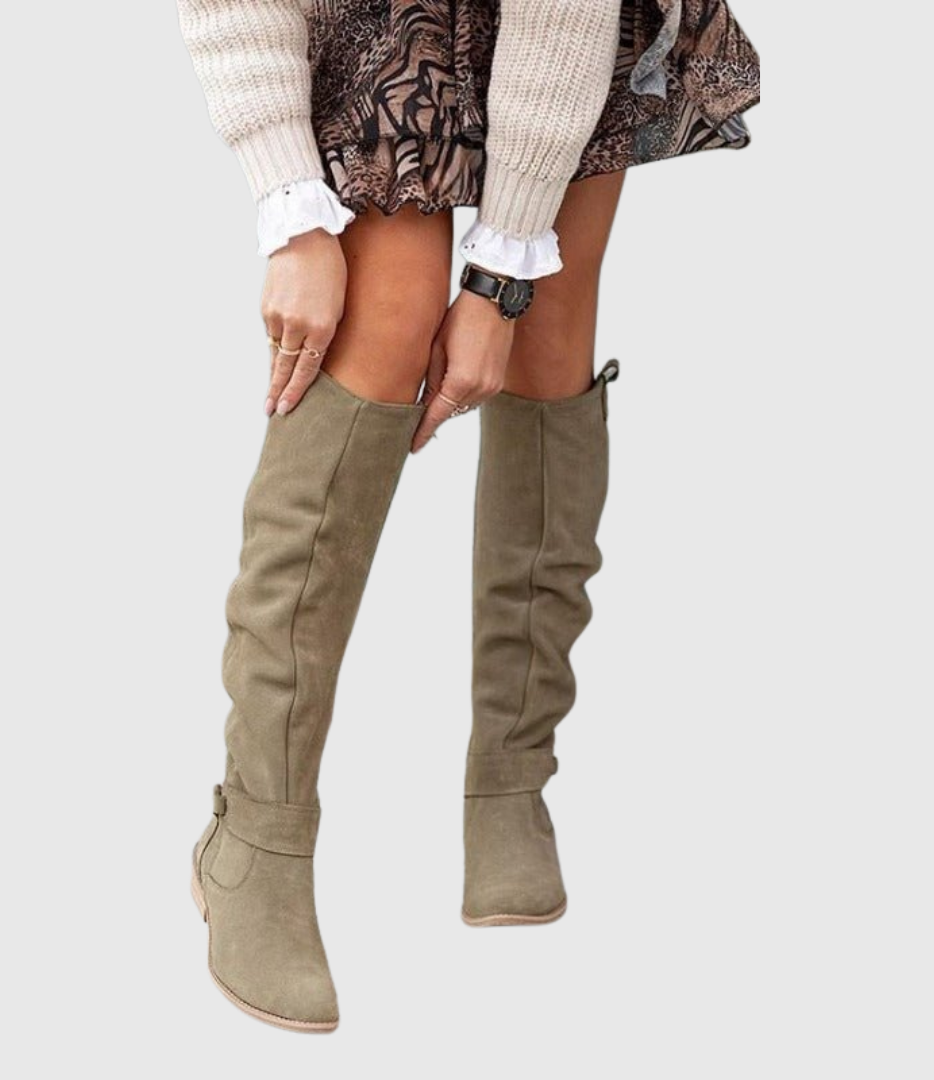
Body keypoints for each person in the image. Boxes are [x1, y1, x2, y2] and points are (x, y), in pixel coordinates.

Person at [177, 0, 759, 1032]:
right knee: (386, 325)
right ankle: (257, 836)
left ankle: (510, 782)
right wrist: (292, 213)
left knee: (548, 331)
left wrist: (499, 281)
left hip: (561, 24)